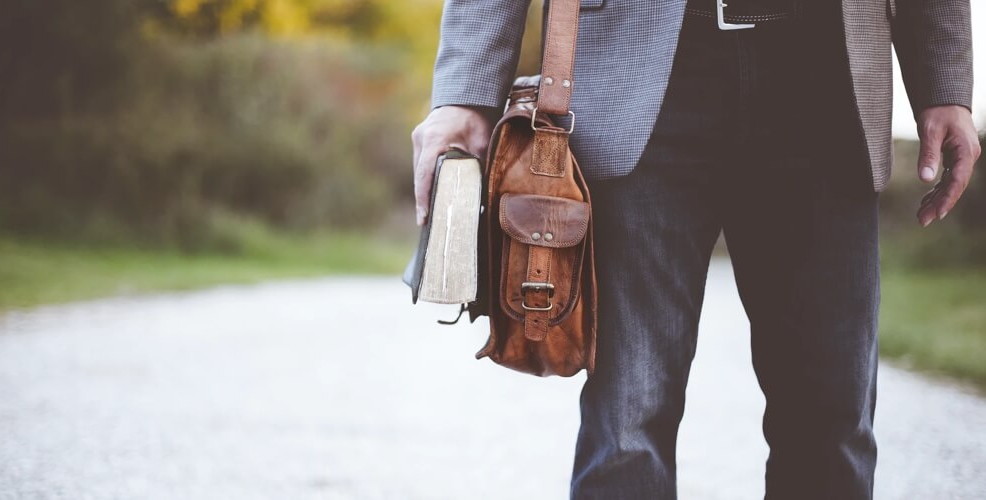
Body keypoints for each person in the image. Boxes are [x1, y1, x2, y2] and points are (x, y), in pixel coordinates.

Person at [410, 1, 978, 498]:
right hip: (642, 75)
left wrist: (944, 82)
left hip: (827, 76)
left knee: (831, 421)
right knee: (628, 424)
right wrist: (466, 93)